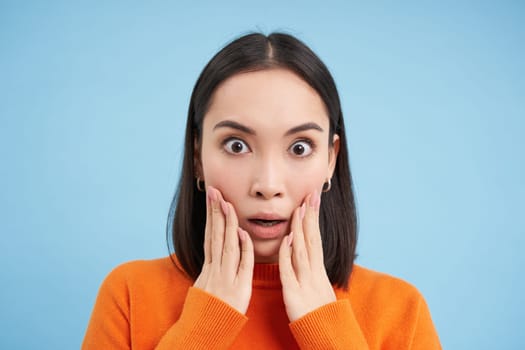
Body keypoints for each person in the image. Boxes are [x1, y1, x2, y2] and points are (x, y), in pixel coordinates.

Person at [82, 32, 441, 349]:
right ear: (197, 157)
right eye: (236, 145)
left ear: (330, 160)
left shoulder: (401, 310)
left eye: (299, 147)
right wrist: (205, 323)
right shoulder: (129, 295)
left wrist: (326, 327)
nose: (268, 186)